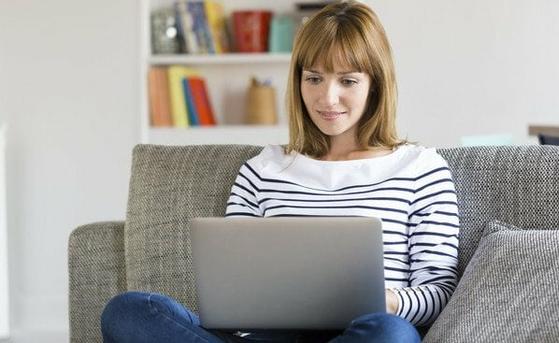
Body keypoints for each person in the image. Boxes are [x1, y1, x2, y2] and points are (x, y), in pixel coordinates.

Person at [101, 1, 459, 342]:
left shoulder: (420, 168)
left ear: (376, 84)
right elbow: (232, 282)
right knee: (128, 312)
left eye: (347, 81)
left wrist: (389, 300)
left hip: (364, 333)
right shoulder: (263, 168)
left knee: (391, 334)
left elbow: (440, 292)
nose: (327, 98)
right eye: (314, 78)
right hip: (264, 336)